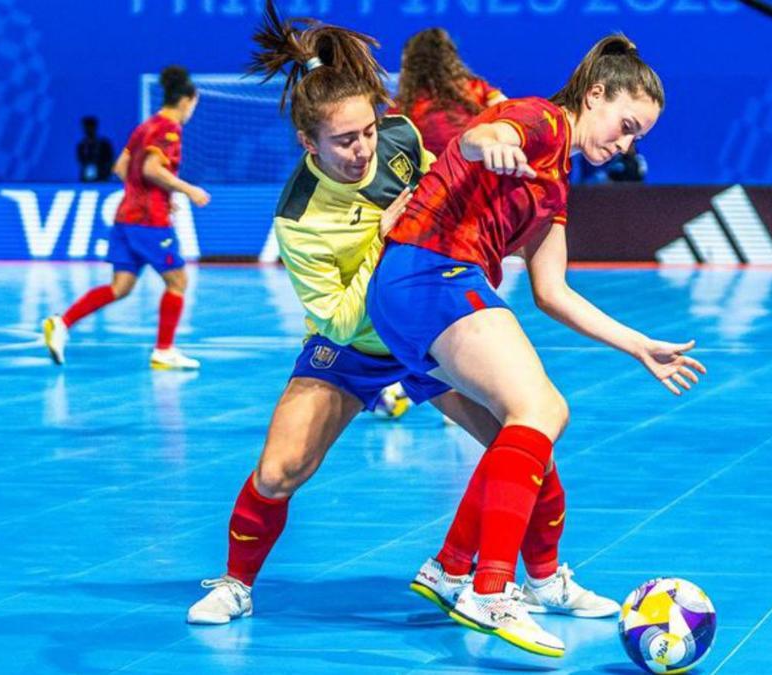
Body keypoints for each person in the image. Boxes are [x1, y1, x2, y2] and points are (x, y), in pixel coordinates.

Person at [184, 1, 610, 630]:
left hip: (430, 330)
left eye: (368, 131)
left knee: (523, 440)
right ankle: (236, 584)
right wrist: (389, 237)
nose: (363, 150)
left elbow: (447, 202)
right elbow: (332, 316)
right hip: (353, 346)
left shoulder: (403, 140)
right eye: (344, 141)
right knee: (279, 472)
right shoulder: (298, 219)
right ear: (309, 143)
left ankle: (545, 580)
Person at [367, 35, 706, 656]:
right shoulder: (542, 121)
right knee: (543, 411)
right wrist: (491, 143)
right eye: (626, 126)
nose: (625, 145)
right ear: (595, 94)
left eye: (638, 139)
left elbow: (553, 292)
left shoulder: (556, 181)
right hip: (431, 274)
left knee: (520, 445)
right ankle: (491, 590)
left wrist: (638, 346)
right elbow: (478, 137)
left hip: (407, 295)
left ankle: (463, 571)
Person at [42, 65, 210, 369]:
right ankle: (164, 350)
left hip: (126, 217)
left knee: (121, 287)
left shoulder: (145, 126)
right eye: (195, 104)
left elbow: (121, 168)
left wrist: (152, 193)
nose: (193, 110)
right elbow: (150, 170)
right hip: (148, 221)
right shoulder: (169, 131)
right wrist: (186, 191)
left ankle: (62, 323)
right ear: (186, 100)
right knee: (178, 280)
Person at [392, 27, 506, 157]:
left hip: (431, 174)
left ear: (408, 64)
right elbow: (513, 113)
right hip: (472, 170)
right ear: (451, 58)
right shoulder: (477, 88)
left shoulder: (400, 107)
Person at [77, 116, 116, 182]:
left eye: (90, 127)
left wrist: (105, 172)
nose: (88, 130)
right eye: (86, 127)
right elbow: (80, 160)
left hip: (102, 178)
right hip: (85, 178)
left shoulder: (104, 144)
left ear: (95, 127)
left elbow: (110, 161)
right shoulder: (82, 145)